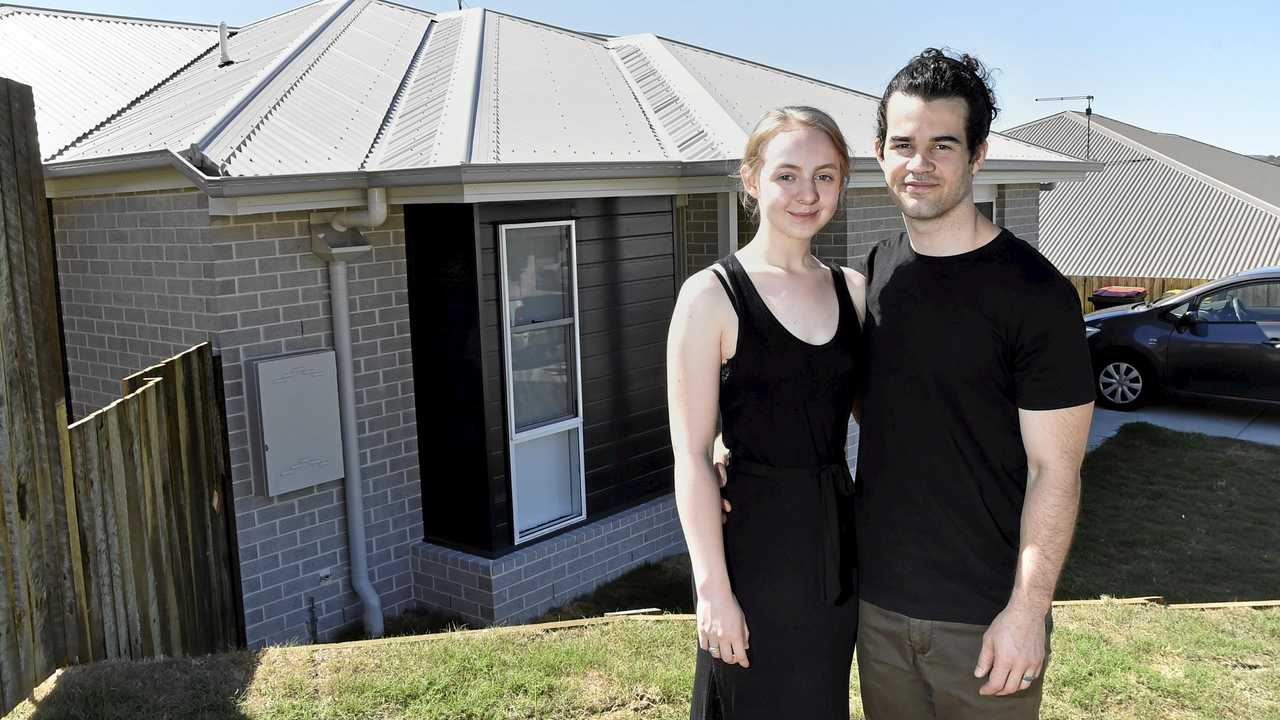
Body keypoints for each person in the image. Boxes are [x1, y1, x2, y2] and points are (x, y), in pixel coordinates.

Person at [716, 49, 1094, 719]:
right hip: (877, 608)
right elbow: (842, 391)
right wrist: (733, 441)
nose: (920, 162)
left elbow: (1055, 472)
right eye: (904, 144)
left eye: (943, 145)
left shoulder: (1036, 295)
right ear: (881, 153)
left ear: (977, 156)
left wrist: (1027, 612)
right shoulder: (876, 273)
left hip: (983, 623)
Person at [667, 106, 865, 720]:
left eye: (825, 176)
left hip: (835, 547)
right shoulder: (710, 296)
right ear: (752, 180)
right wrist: (713, 591)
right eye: (787, 175)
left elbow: (886, 417)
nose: (807, 194)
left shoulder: (853, 291)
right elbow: (693, 457)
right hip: (752, 554)